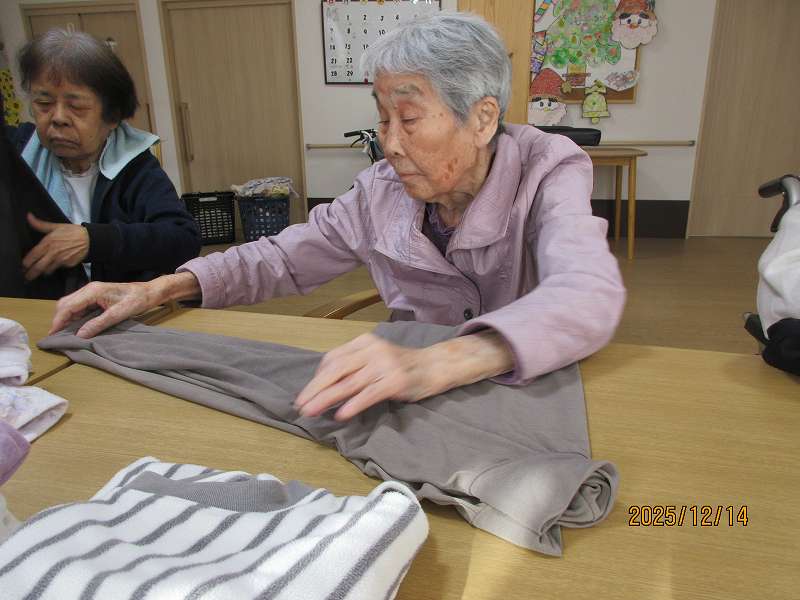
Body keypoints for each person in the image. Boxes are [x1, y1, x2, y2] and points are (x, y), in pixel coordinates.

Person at [51, 13, 625, 421]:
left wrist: (446, 360)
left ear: (482, 119)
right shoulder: (380, 192)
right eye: (383, 120)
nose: (390, 144)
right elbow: (281, 258)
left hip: (517, 389)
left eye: (409, 119)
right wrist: (158, 289)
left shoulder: (547, 169)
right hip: (407, 400)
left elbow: (587, 292)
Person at [6, 29, 200, 286]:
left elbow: (182, 239)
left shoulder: (135, 167)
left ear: (112, 116)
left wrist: (93, 240)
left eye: (76, 107)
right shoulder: (15, 152)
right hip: (31, 305)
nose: (58, 118)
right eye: (44, 104)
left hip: (114, 304)